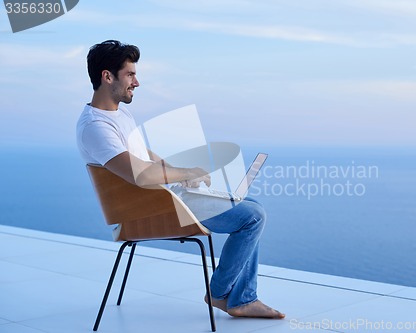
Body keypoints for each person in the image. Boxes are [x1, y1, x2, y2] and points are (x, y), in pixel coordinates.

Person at [76, 40, 285, 319]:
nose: (136, 82)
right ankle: (225, 296)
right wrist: (186, 173)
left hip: (164, 199)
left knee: (249, 203)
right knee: (253, 216)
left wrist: (178, 174)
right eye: (130, 74)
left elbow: (145, 157)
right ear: (107, 76)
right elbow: (139, 174)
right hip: (148, 211)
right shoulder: (96, 127)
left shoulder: (118, 114)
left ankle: (240, 296)